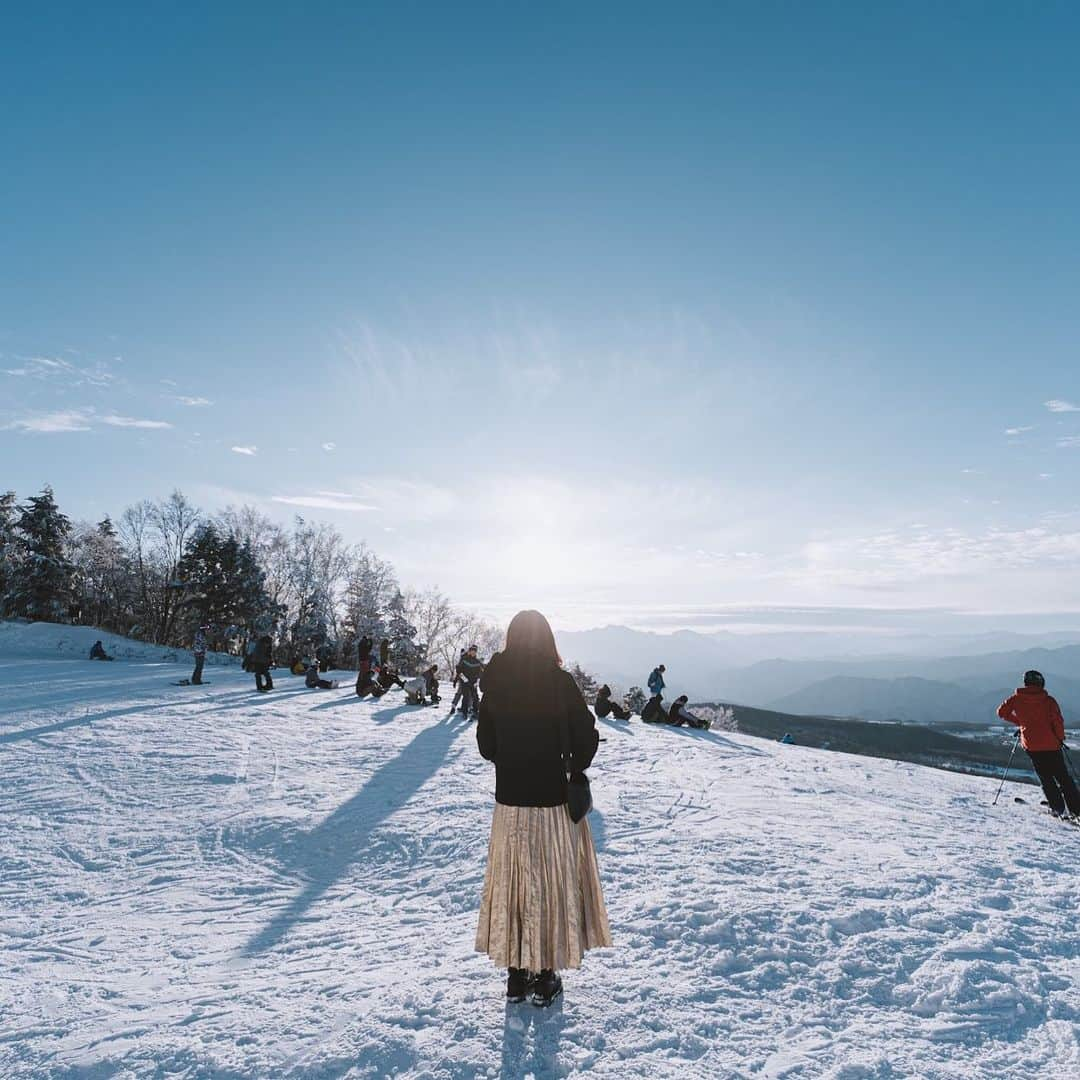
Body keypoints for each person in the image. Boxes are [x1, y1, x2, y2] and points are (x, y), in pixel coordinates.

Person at [475, 610, 612, 1008]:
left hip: (510, 801)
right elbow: (585, 743)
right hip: (551, 800)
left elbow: (486, 747)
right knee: (548, 884)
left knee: (516, 883)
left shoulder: (496, 682)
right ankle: (545, 975)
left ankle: (516, 977)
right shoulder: (560, 682)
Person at [998, 670, 1080, 819]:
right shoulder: (1048, 701)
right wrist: (1060, 738)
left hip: (1032, 746)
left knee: (1045, 777)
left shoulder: (1016, 699)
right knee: (1063, 777)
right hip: (1052, 745)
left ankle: (1057, 808)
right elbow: (1057, 722)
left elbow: (1001, 712)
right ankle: (1076, 809)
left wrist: (1022, 723)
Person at [457, 644, 485, 719]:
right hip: (465, 681)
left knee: (475, 697)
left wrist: (477, 680)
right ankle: (464, 712)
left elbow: (483, 671)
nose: (473, 652)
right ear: (469, 651)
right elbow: (458, 670)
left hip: (474, 682)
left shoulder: (478, 662)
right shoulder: (464, 659)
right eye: (472, 651)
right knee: (466, 697)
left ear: (476, 652)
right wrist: (463, 679)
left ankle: (475, 712)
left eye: (474, 651)